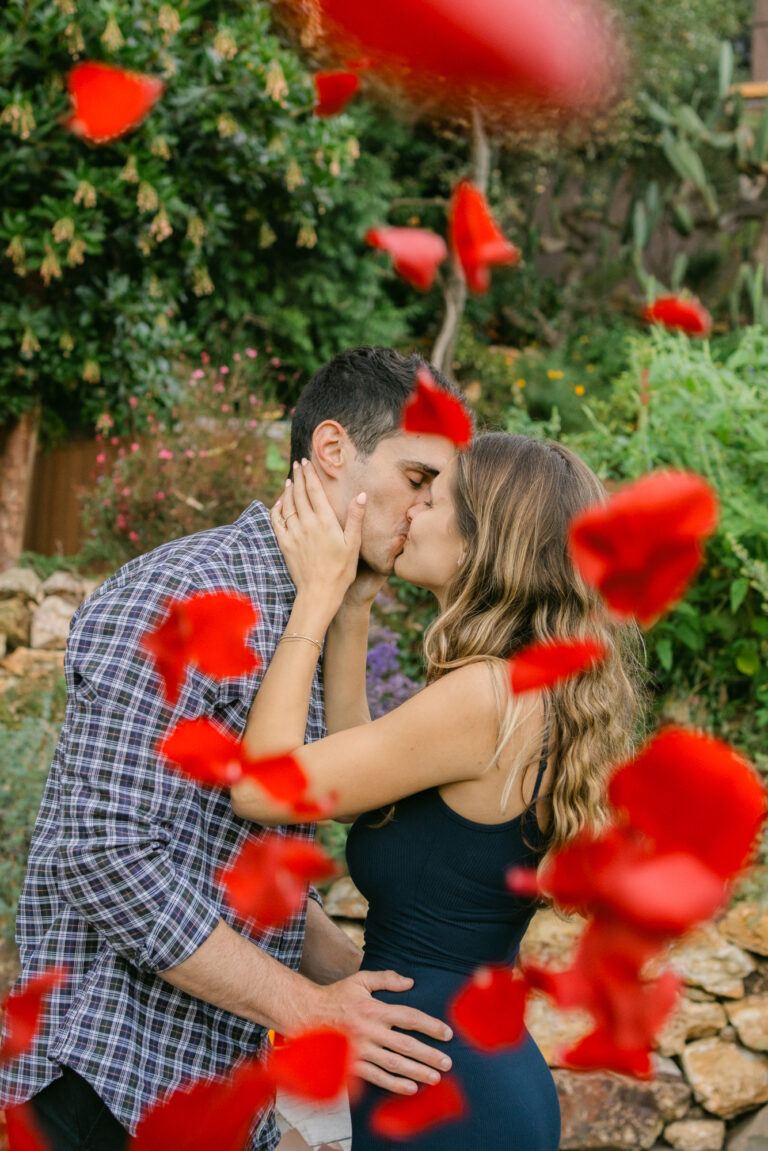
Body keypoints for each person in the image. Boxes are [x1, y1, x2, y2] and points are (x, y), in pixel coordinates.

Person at [0, 347, 466, 1151]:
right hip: (109, 1085)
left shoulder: (310, 615)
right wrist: (308, 1007)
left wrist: (363, 982)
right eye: (418, 480)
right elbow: (103, 855)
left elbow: (231, 864)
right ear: (330, 452)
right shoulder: (183, 594)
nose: (424, 513)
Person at [231, 432, 645, 1149]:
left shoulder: (488, 696)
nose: (412, 510)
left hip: (452, 1094)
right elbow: (360, 792)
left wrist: (314, 603)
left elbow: (265, 789)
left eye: (434, 497)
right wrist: (355, 608)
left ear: (485, 541)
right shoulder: (510, 686)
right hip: (444, 1072)